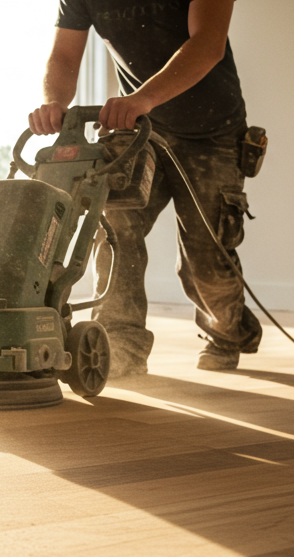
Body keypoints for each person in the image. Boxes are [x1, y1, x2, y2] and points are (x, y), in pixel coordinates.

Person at [29, 0, 261, 373]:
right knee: (115, 230)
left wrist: (143, 99)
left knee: (205, 259)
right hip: (141, 130)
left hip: (211, 132)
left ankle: (228, 332)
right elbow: (64, 57)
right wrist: (53, 102)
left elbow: (208, 43)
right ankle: (122, 347)